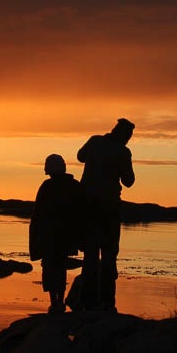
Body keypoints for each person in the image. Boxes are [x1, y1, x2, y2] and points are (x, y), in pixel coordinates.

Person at [76, 118, 135, 310]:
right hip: (109, 208)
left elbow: (80, 156)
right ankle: (107, 303)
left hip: (87, 206)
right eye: (129, 137)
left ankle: (87, 300)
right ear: (125, 136)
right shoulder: (123, 152)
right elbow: (129, 181)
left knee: (90, 254)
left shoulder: (95, 141)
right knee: (109, 255)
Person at [28, 153, 83, 314]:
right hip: (65, 235)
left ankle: (55, 302)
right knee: (60, 267)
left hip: (51, 235)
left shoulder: (47, 186)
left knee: (51, 268)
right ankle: (58, 301)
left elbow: (37, 213)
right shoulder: (74, 185)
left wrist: (36, 236)